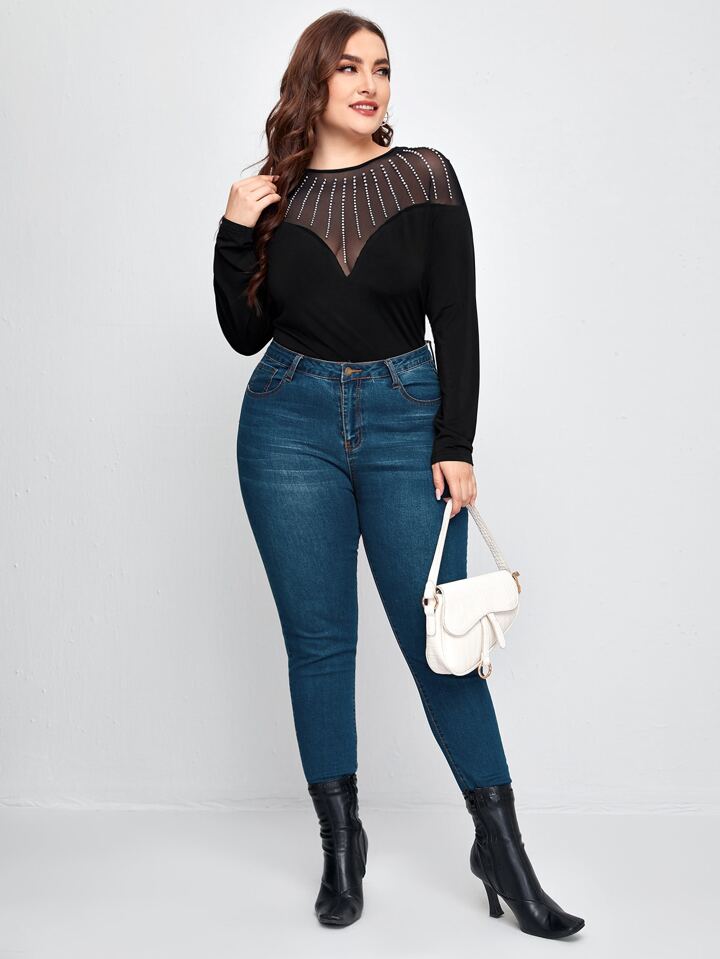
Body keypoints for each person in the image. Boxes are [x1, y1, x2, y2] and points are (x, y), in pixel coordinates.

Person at [212, 9, 585, 940]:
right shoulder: (274, 192)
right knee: (318, 643)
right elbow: (243, 332)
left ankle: (503, 852)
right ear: (314, 81)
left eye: (381, 67)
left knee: (439, 640)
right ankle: (342, 848)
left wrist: (456, 441)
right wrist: (233, 229)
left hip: (403, 418)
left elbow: (456, 315)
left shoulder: (425, 175)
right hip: (286, 421)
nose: (369, 83)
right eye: (348, 68)